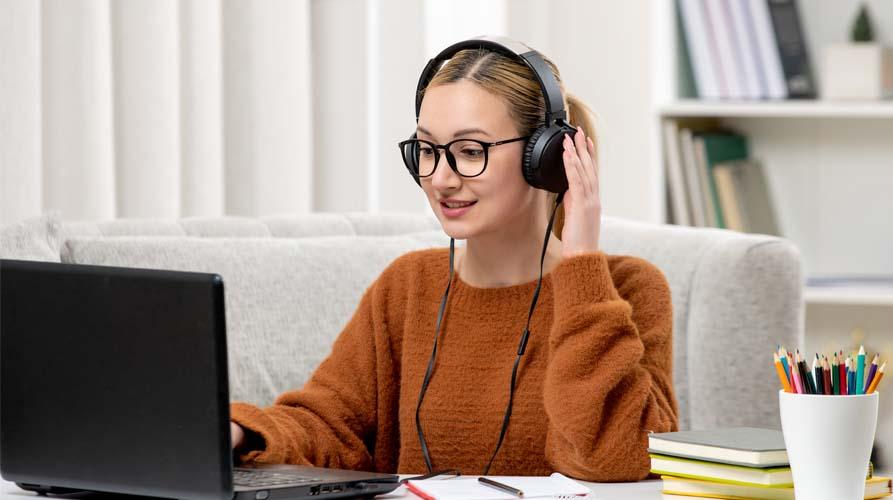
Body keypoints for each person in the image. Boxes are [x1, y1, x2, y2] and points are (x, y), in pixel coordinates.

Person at [228, 38, 678, 482]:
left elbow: (616, 458)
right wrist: (237, 433)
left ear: (544, 157)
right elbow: (328, 424)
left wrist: (582, 266)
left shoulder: (626, 289)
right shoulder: (407, 286)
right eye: (427, 150)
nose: (441, 179)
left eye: (470, 151)